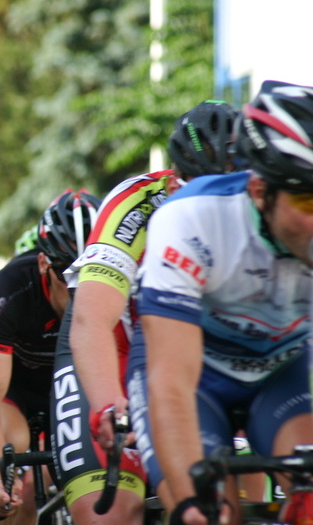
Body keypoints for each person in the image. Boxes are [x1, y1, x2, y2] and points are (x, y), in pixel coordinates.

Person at [128, 80, 313, 525]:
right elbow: (171, 383)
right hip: (193, 378)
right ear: (260, 191)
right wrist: (191, 504)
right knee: (211, 514)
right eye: (307, 199)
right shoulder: (190, 220)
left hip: (280, 373)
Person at [49, 99, 238, 525]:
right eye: (202, 192)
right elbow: (92, 320)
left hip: (204, 356)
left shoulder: (266, 203)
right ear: (172, 183)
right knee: (112, 514)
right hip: (113, 345)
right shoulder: (137, 204)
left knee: (233, 500)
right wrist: (107, 406)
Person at [0, 189, 100, 524]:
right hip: (12, 385)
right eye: (67, 274)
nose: (79, 289)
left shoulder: (117, 291)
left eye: (92, 273)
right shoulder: (9, 290)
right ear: (43, 264)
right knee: (10, 450)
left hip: (72, 383)